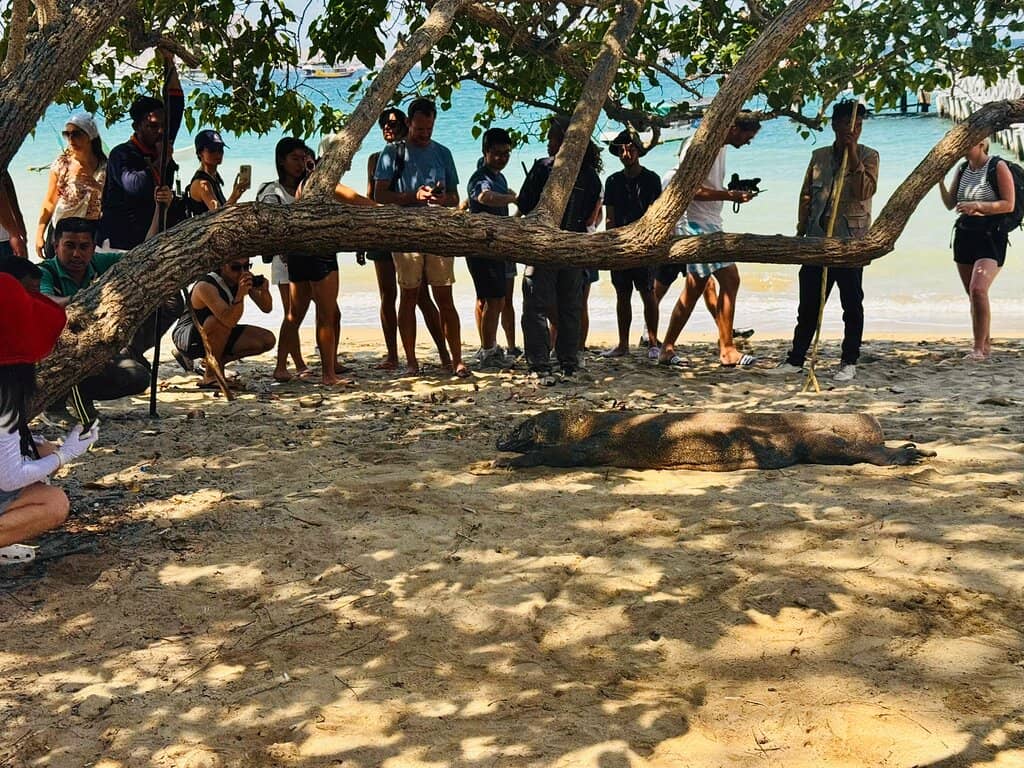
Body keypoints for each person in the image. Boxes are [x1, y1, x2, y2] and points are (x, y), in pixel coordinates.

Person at [770, 101, 879, 381]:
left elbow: (864, 190)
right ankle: (796, 359)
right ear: (835, 125)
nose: (852, 130)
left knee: (851, 305)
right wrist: (801, 228)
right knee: (808, 304)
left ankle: (849, 361)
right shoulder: (819, 156)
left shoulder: (869, 156)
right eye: (846, 124)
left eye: (857, 125)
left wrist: (852, 152)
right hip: (817, 240)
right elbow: (806, 194)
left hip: (850, 242)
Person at [0, 273, 98, 564]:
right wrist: (67, 454)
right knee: (54, 503)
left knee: (41, 451)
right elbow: (10, 478)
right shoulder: (4, 396)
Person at [657, 117, 762, 369]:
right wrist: (729, 194)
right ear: (734, 128)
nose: (748, 143)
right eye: (748, 136)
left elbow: (706, 185)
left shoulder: (721, 145)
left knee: (696, 288)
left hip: (710, 221)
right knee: (729, 278)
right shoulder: (701, 145)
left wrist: (732, 189)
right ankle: (726, 349)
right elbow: (688, 189)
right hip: (695, 223)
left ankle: (667, 348)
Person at [373, 98, 466, 377]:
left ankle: (455, 359)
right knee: (409, 296)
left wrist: (440, 199)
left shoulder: (443, 153)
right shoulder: (392, 153)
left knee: (444, 296)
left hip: (438, 231)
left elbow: (455, 198)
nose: (425, 134)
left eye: (429, 129)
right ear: (409, 124)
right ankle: (411, 361)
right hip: (406, 232)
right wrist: (412, 197)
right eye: (419, 129)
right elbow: (379, 195)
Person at [361, 108, 450, 371]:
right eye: (383, 124)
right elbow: (372, 197)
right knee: (387, 295)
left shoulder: (416, 154)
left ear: (406, 124)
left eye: (393, 123)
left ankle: (444, 352)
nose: (388, 128)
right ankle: (393, 355)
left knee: (421, 296)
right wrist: (365, 236)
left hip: (409, 231)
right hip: (382, 231)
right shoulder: (377, 158)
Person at [517, 115, 603, 385]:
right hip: (573, 244)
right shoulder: (591, 176)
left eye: (551, 138)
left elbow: (525, 203)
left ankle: (540, 363)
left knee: (536, 306)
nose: (547, 143)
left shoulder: (543, 168)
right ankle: (568, 360)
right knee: (570, 306)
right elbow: (590, 217)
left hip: (543, 244)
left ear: (563, 141)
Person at [38, 217, 152, 403]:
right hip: (53, 358)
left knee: (137, 376)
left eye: (84, 247)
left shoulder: (101, 263)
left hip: (90, 354)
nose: (76, 254)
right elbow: (45, 301)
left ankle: (80, 397)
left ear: (93, 248)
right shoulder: (44, 272)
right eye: (69, 246)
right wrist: (80, 299)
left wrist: (158, 210)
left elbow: (145, 255)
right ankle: (55, 403)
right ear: (56, 244)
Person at [938, 137, 1015, 361]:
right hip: (964, 234)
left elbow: (1008, 204)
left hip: (990, 235)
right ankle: (985, 343)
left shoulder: (996, 166)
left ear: (981, 143)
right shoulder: (962, 169)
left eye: (966, 143)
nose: (960, 147)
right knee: (973, 295)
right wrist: (940, 182)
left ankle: (978, 349)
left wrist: (977, 206)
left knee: (978, 289)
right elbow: (950, 203)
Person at [98, 51, 184, 250]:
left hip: (153, 240)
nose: (160, 131)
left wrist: (169, 60)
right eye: (152, 126)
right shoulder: (122, 154)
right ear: (137, 127)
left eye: (163, 125)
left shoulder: (162, 141)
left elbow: (176, 102)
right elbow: (134, 185)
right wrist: (161, 158)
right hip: (119, 244)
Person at [600, 129, 663, 358]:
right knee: (622, 295)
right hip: (620, 245)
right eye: (622, 149)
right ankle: (623, 344)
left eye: (631, 148)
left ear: (638, 150)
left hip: (645, 244)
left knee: (648, 293)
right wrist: (611, 245)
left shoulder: (652, 179)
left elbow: (657, 214)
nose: (626, 153)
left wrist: (650, 242)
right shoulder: (613, 181)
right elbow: (610, 217)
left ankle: (654, 343)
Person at [171, 258, 276, 389]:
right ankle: (210, 376)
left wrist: (264, 291)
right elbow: (229, 320)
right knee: (218, 321)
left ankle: (216, 363)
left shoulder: (242, 278)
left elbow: (266, 308)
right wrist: (240, 295)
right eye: (236, 268)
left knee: (266, 339)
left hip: (221, 331)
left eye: (246, 266)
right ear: (222, 266)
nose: (242, 272)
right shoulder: (206, 285)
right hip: (189, 337)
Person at [258, 137, 312, 381]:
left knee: (299, 313)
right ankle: (283, 365)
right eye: (295, 159)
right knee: (293, 313)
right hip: (286, 261)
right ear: (282, 160)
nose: (300, 164)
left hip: (308, 257)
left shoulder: (308, 187)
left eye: (303, 158)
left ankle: (298, 362)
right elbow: (271, 225)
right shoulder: (273, 192)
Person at [466, 127, 518, 369]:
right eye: (497, 153)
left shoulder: (499, 176)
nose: (502, 158)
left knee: (498, 299)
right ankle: (488, 351)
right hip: (482, 247)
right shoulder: (481, 177)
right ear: (486, 152)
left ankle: (492, 347)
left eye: (506, 153)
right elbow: (484, 198)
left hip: (499, 245)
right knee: (493, 300)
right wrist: (511, 198)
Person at [35, 112, 106, 259]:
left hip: (90, 233)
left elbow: (115, 200)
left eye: (76, 134)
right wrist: (39, 233)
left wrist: (98, 187)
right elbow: (50, 201)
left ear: (90, 136)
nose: (71, 139)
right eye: (67, 134)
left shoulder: (106, 167)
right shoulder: (62, 164)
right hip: (61, 231)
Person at [186, 129, 249, 214]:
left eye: (220, 149)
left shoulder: (213, 176)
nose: (217, 153)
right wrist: (234, 196)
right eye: (212, 149)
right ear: (200, 153)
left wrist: (236, 195)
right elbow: (218, 215)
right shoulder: (202, 184)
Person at [0, 170, 28, 259]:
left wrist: (19, 229)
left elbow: (10, 193)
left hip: (7, 237)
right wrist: (15, 234)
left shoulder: (3, 169)